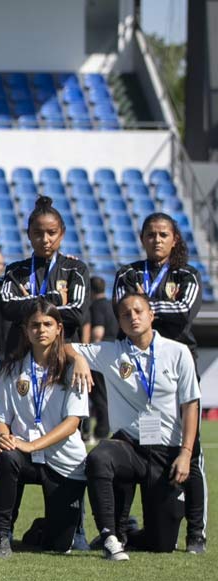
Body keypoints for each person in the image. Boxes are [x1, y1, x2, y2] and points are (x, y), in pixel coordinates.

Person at [73, 293, 200, 560]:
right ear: (119, 322)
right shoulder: (112, 352)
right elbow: (62, 346)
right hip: (129, 447)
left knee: (161, 544)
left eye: (139, 311)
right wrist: (79, 359)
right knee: (98, 457)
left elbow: (191, 405)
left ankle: (128, 532)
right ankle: (110, 535)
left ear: (151, 315)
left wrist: (186, 453)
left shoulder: (178, 352)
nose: (133, 317)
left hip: (166, 451)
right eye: (126, 314)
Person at [113, 212, 206, 553]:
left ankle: (196, 533)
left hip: (177, 364)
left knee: (189, 449)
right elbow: (120, 309)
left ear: (174, 239)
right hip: (134, 366)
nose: (156, 239)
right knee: (128, 441)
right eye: (150, 234)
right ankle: (119, 529)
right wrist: (139, 307)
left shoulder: (187, 275)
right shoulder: (127, 273)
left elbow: (183, 313)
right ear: (142, 238)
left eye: (163, 234)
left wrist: (144, 303)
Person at [0, 299, 88, 558]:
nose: (41, 330)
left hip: (62, 460)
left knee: (59, 546)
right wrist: (3, 437)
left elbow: (72, 423)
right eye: (34, 325)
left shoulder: (72, 368)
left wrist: (31, 444)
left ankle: (42, 529)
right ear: (25, 330)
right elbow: (1, 418)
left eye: (47, 324)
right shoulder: (12, 368)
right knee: (7, 457)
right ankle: (1, 536)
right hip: (24, 455)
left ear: (58, 329)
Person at [0, 196, 89, 348]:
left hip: (63, 353)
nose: (45, 239)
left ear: (62, 233)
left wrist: (29, 302)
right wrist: (55, 298)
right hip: (22, 353)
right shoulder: (15, 271)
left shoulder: (76, 269)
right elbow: (7, 308)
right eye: (38, 233)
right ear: (29, 234)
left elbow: (77, 314)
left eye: (52, 232)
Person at [85, 276, 117, 442]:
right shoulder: (112, 306)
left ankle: (100, 432)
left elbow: (98, 332)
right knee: (107, 395)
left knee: (98, 396)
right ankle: (106, 429)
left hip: (100, 354)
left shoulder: (96, 307)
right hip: (114, 353)